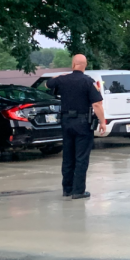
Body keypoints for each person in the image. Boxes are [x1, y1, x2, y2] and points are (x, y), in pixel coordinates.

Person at [48, 54, 107, 200]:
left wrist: (59, 76)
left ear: (73, 64)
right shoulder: (88, 82)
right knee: (81, 158)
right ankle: (78, 191)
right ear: (85, 65)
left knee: (68, 157)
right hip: (82, 123)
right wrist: (102, 122)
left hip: (66, 122)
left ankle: (67, 189)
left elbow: (48, 84)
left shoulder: (63, 80)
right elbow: (97, 104)